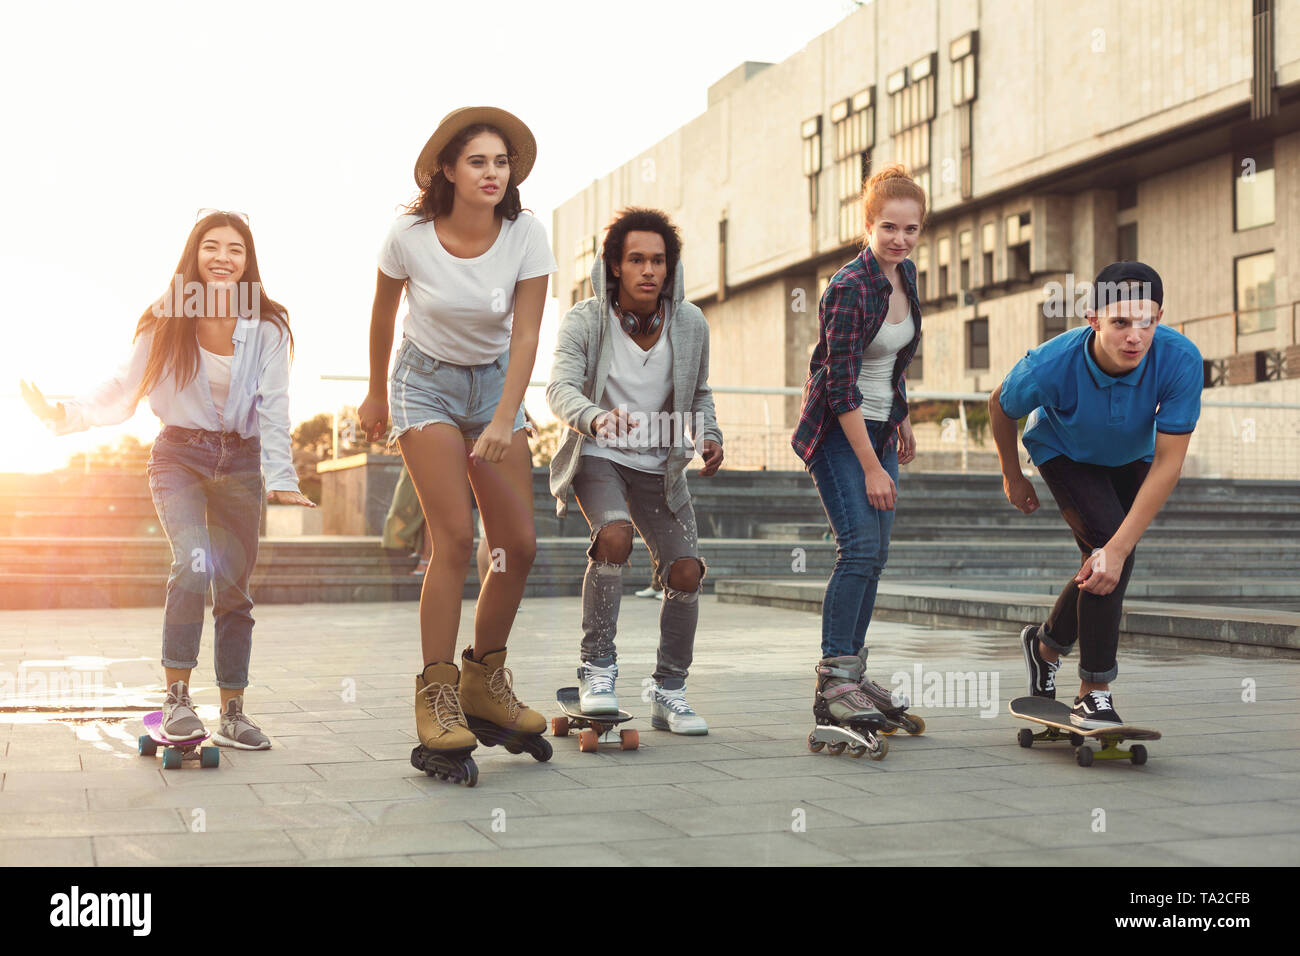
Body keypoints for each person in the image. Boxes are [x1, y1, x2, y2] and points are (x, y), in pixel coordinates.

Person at [21, 209, 314, 751]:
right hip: (180, 454)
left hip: (243, 462)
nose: (223, 258)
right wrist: (65, 413)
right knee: (194, 561)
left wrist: (281, 474)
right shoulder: (165, 320)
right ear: (193, 256)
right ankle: (176, 699)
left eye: (235, 249)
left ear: (248, 262)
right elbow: (122, 387)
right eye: (211, 247)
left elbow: (274, 406)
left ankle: (233, 712)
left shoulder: (268, 326)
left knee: (235, 588)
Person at [359, 107, 556, 783]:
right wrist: (375, 393)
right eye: (478, 161)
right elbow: (385, 313)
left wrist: (504, 419)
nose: (492, 173)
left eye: (501, 162)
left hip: (496, 387)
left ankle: (484, 681)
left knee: (518, 544)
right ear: (448, 168)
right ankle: (436, 695)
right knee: (453, 538)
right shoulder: (409, 235)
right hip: (425, 386)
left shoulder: (526, 234)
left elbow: (527, 335)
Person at [990, 261, 1202, 728]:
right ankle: (1094, 692)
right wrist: (1012, 475)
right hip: (1063, 450)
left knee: (1112, 552)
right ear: (1093, 320)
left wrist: (1119, 548)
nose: (1134, 336)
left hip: (1132, 456)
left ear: (1159, 318)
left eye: (1146, 322)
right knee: (1110, 543)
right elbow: (998, 404)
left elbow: (1170, 463)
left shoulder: (1181, 359)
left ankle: (1045, 645)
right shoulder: (1050, 364)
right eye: (1120, 322)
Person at [547, 208, 723, 734]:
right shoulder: (585, 319)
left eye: (659, 261)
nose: (649, 270)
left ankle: (670, 693)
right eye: (636, 260)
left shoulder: (690, 323)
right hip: (600, 456)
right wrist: (596, 417)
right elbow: (560, 389)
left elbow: (699, 393)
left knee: (687, 570)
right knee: (616, 536)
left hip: (662, 466)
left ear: (670, 268)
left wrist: (707, 434)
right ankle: (596, 670)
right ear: (615, 266)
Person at [790, 164, 923, 741]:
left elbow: (892, 360)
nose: (900, 239)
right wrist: (871, 463)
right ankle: (833, 679)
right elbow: (840, 381)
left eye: (911, 229)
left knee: (878, 552)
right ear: (867, 225)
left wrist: (905, 417)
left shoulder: (906, 276)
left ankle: (854, 673)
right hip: (840, 432)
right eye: (889, 227)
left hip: (880, 425)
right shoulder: (848, 287)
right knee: (859, 546)